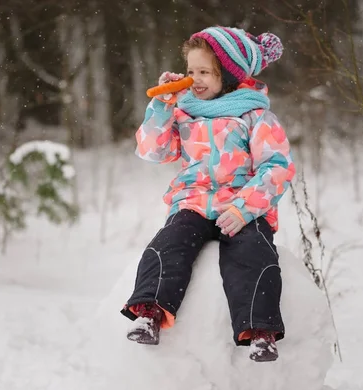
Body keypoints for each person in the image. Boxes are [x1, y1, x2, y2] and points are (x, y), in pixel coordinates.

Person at [120, 26, 295, 362]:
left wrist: (245, 208)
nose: (194, 80)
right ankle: (149, 312)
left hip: (242, 205)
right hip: (194, 201)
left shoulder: (254, 115)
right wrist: (162, 106)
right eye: (190, 71)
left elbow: (276, 167)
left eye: (204, 72)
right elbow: (152, 151)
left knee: (253, 252)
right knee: (170, 243)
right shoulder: (184, 111)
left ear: (228, 75)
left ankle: (260, 331)